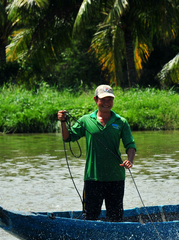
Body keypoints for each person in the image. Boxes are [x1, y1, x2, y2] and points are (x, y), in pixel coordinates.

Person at [57, 85, 136, 222]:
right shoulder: (86, 120)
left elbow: (130, 145)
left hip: (115, 177)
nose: (107, 103)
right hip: (93, 178)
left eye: (110, 99)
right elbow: (67, 137)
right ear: (96, 100)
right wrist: (63, 122)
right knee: (90, 216)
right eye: (103, 99)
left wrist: (130, 160)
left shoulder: (121, 122)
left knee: (116, 216)